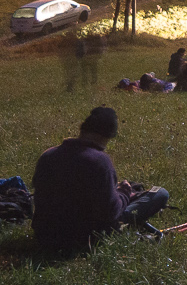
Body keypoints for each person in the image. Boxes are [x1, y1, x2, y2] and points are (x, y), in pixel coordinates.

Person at [32, 106, 168, 251]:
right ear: (108, 136)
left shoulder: (48, 155)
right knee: (160, 194)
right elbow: (110, 212)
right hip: (83, 238)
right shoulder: (99, 161)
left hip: (44, 235)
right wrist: (124, 193)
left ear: (83, 129)